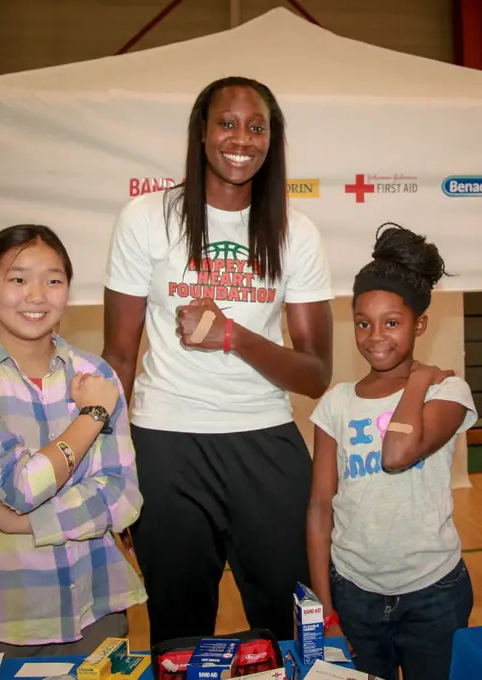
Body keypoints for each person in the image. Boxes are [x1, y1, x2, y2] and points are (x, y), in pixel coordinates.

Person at [103, 76, 333, 645]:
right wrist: (112, 467)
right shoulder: (146, 217)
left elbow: (316, 374)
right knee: (178, 632)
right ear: (201, 133)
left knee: (289, 625)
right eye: (227, 123)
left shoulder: (294, 232)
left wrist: (234, 336)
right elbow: (119, 355)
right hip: (166, 441)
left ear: (272, 140)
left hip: (265, 440)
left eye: (257, 127)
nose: (242, 138)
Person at [0, 224, 146, 658]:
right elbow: (20, 486)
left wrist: (25, 523)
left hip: (94, 608)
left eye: (53, 279)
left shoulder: (94, 373)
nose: (37, 295)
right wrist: (93, 415)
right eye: (18, 278)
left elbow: (123, 499)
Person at [307, 223, 477, 680]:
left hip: (433, 592)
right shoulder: (337, 403)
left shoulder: (447, 391)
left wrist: (418, 379)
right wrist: (326, 607)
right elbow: (321, 508)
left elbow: (397, 453)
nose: (375, 335)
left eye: (392, 323)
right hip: (354, 592)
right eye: (363, 323)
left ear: (420, 323)